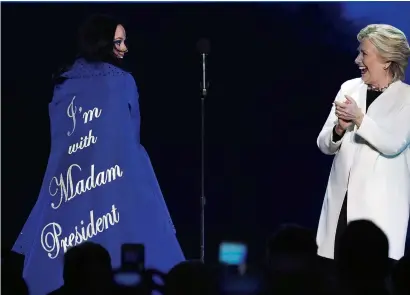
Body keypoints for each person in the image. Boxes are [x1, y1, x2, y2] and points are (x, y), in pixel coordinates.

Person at [12, 14, 185, 295]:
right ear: (102, 42)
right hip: (119, 180)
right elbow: (132, 138)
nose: (125, 48)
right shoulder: (123, 82)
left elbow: (59, 143)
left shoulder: (62, 83)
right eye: (119, 41)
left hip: (70, 186)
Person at [316, 24, 410, 261]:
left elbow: (392, 144)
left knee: (371, 276)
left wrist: (359, 118)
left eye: (364, 53)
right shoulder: (349, 88)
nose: (358, 59)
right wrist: (338, 129)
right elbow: (324, 144)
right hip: (340, 204)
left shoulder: (406, 98)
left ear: (386, 60)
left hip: (379, 210)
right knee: (333, 275)